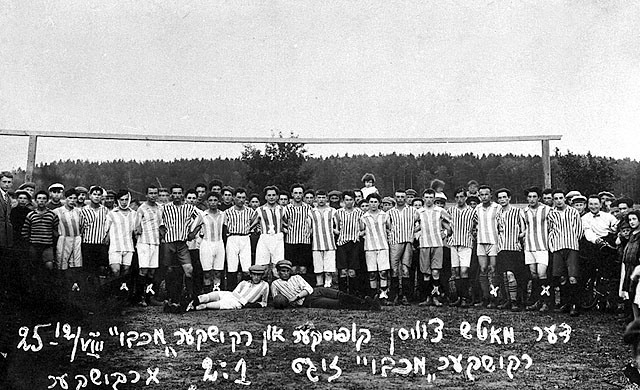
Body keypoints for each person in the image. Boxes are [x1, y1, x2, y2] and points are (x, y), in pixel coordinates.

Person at [271, 260, 380, 310]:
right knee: (336, 303)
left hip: (314, 292)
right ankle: (366, 307)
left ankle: (365, 301)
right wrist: (285, 303)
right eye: (282, 271)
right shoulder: (275, 284)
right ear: (278, 271)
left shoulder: (296, 277)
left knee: (339, 294)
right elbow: (277, 300)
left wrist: (296, 297)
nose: (285, 273)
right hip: (308, 301)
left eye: (287, 271)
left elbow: (308, 289)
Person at [159, 184, 200, 313]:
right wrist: (163, 236)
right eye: (174, 193)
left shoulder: (188, 208)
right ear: (171, 195)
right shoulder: (165, 208)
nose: (177, 196)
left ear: (182, 194)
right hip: (169, 243)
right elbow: (159, 224)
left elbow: (200, 219)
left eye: (179, 193)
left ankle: (189, 297)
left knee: (189, 270)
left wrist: (192, 233)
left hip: (182, 244)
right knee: (169, 271)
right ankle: (169, 298)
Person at [548, 189, 583, 317]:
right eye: (555, 198)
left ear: (565, 199)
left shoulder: (573, 212)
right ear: (553, 200)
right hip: (558, 248)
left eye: (560, 198)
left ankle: (575, 305)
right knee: (562, 277)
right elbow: (551, 231)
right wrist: (553, 246)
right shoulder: (551, 214)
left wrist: (572, 241)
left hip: (571, 247)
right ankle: (566, 303)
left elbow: (579, 231)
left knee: (572, 277)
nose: (558, 201)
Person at [581, 194, 619, 311]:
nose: (593, 206)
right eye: (591, 204)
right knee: (590, 273)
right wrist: (597, 240)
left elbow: (616, 225)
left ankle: (606, 302)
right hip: (593, 246)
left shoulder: (607, 216)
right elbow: (588, 233)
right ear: (588, 205)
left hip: (608, 245)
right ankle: (589, 300)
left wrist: (614, 229)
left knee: (606, 275)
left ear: (600, 204)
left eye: (596, 204)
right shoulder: (584, 218)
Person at [416, 189, 452, 307]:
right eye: (427, 197)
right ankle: (427, 298)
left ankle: (435, 298)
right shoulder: (419, 212)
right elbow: (414, 227)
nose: (429, 200)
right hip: (424, 245)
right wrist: (417, 236)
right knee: (426, 273)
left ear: (434, 198)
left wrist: (445, 233)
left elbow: (450, 225)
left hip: (437, 244)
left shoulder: (440, 211)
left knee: (436, 271)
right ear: (423, 198)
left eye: (431, 197)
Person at [523, 187, 554, 312]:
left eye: (534, 196)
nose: (532, 199)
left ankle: (546, 302)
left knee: (542, 274)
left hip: (542, 247)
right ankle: (537, 301)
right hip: (530, 247)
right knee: (534, 274)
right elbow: (525, 227)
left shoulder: (547, 210)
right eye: (529, 197)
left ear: (539, 198)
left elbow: (552, 227)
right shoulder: (524, 211)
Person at [494, 188, 526, 311]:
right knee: (506, 274)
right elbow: (498, 230)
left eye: (504, 197)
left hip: (515, 248)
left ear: (509, 198)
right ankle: (510, 301)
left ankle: (516, 300)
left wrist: (519, 237)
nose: (502, 200)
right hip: (502, 248)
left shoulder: (518, 211)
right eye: (500, 198)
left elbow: (524, 230)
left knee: (514, 275)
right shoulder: (498, 214)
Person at [188, 264, 269, 311]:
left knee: (212, 305)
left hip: (237, 303)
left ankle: (196, 307)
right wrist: (245, 301)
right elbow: (234, 293)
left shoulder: (264, 285)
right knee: (211, 295)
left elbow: (264, 302)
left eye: (259, 275)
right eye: (254, 275)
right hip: (232, 296)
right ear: (251, 275)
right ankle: (194, 301)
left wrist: (256, 305)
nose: (256, 277)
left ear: (262, 276)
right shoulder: (244, 283)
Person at [387, 189, 419, 305]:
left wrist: (413, 231)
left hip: (408, 242)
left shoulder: (412, 210)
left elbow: (420, 222)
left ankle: (406, 296)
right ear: (395, 198)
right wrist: (391, 234)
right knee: (394, 269)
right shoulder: (390, 212)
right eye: (398, 197)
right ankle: (394, 296)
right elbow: (387, 226)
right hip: (395, 242)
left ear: (405, 198)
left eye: (402, 197)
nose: (400, 199)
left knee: (406, 269)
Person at [223, 187, 258, 290]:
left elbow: (255, 223)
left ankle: (245, 291)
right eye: (238, 197)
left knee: (246, 267)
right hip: (232, 238)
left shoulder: (250, 211)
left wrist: (249, 229)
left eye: (243, 198)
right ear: (234, 198)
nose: (241, 200)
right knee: (232, 266)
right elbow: (224, 227)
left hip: (245, 238)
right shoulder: (227, 212)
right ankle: (231, 291)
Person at [359, 193, 391, 304]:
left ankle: (383, 295)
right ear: (368, 203)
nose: (373, 204)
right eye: (371, 202)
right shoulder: (364, 217)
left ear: (379, 203)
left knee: (383, 272)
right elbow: (361, 231)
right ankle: (373, 296)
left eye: (375, 202)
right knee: (372, 273)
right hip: (370, 247)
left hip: (382, 247)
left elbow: (389, 228)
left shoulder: (384, 215)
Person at [447, 188, 476, 308]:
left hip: (466, 244)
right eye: (457, 197)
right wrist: (448, 230)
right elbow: (443, 221)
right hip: (454, 243)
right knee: (456, 271)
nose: (460, 199)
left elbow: (479, 224)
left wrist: (474, 233)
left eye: (462, 197)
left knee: (464, 270)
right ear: (455, 198)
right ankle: (459, 297)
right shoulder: (451, 210)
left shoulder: (472, 211)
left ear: (466, 198)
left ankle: (465, 297)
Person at [190, 192, 226, 292]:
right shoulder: (202, 215)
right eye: (210, 200)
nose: (213, 203)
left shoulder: (223, 215)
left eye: (215, 200)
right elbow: (193, 228)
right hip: (206, 244)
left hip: (219, 244)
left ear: (219, 202)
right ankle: (207, 293)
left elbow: (228, 227)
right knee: (207, 272)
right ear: (207, 202)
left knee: (218, 272)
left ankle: (216, 293)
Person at [473, 185, 502, 308]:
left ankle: (494, 298)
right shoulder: (477, 208)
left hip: (493, 242)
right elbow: (474, 224)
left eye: (486, 194)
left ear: (491, 195)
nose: (484, 197)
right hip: (481, 242)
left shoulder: (497, 207)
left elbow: (501, 224)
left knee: (493, 269)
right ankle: (485, 298)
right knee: (483, 269)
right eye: (481, 195)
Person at [104, 190, 137, 295]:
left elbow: (135, 230)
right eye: (121, 200)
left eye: (126, 199)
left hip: (128, 246)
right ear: (117, 201)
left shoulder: (134, 214)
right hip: (115, 247)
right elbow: (106, 229)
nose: (124, 202)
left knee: (126, 270)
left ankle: (122, 295)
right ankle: (113, 293)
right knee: (115, 271)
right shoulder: (112, 214)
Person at [134, 185, 161, 306]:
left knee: (152, 271)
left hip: (155, 242)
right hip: (144, 242)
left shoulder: (160, 208)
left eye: (155, 193)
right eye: (151, 193)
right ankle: (140, 297)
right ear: (146, 195)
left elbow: (162, 225)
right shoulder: (141, 209)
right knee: (143, 270)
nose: (153, 195)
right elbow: (136, 227)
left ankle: (150, 297)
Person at [22, 191, 59, 278]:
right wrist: (29, 242)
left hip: (47, 246)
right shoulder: (31, 215)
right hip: (34, 245)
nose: (41, 201)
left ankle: (47, 286)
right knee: (33, 266)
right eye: (39, 198)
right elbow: (25, 230)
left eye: (44, 199)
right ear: (35, 200)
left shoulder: (52, 215)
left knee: (49, 266)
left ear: (47, 201)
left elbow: (56, 230)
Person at [53, 188, 84, 292]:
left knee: (76, 263)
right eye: (70, 198)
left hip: (76, 239)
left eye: (75, 198)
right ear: (66, 198)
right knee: (61, 262)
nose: (72, 200)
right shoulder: (57, 211)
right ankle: (61, 286)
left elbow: (82, 225)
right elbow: (52, 226)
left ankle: (74, 285)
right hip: (63, 239)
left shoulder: (78, 211)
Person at [335, 190, 364, 296]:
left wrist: (358, 234)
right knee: (343, 271)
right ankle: (342, 295)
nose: (349, 202)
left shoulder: (359, 212)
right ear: (343, 201)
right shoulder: (338, 212)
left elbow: (362, 228)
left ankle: (352, 295)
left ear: (354, 200)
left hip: (354, 243)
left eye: (351, 199)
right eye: (346, 200)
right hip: (342, 243)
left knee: (352, 271)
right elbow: (336, 228)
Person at [255, 186, 286, 280]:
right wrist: (257, 229)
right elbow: (251, 224)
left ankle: (277, 289)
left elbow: (287, 224)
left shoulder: (282, 209)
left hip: (278, 238)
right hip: (265, 238)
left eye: (273, 195)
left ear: (277, 197)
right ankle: (263, 290)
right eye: (269, 195)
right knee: (263, 266)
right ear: (265, 197)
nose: (271, 197)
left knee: (277, 266)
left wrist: (284, 230)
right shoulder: (259, 210)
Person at [80, 186, 110, 283]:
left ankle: (100, 292)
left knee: (101, 269)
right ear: (90, 196)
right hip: (87, 243)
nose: (96, 197)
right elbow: (81, 227)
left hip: (101, 244)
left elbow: (108, 226)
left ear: (101, 197)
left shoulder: (105, 210)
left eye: (99, 195)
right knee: (88, 269)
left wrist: (107, 237)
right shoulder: (83, 210)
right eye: (94, 194)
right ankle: (88, 292)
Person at [309, 190, 338, 288]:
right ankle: (320, 289)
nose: (321, 200)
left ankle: (328, 287)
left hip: (330, 244)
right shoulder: (311, 211)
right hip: (316, 245)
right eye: (319, 198)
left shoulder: (332, 211)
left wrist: (334, 231)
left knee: (328, 271)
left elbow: (338, 226)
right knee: (318, 271)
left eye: (323, 197)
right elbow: (308, 228)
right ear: (316, 199)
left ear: (326, 198)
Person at [283, 183, 313, 277]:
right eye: (296, 193)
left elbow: (312, 222)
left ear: (303, 194)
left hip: (305, 241)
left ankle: (303, 288)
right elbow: (281, 222)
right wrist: (285, 229)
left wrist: (310, 231)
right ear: (292, 194)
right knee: (293, 268)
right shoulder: (287, 208)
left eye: (300, 193)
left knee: (303, 268)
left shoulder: (308, 208)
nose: (298, 195)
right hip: (291, 241)